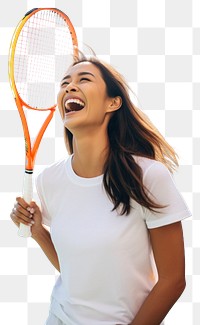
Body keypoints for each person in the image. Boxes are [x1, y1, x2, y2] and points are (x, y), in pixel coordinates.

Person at [10, 52, 191, 325]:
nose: (70, 87)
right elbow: (77, 272)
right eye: (65, 82)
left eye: (84, 79)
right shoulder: (49, 180)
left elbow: (173, 280)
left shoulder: (148, 176)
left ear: (113, 102)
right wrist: (38, 232)